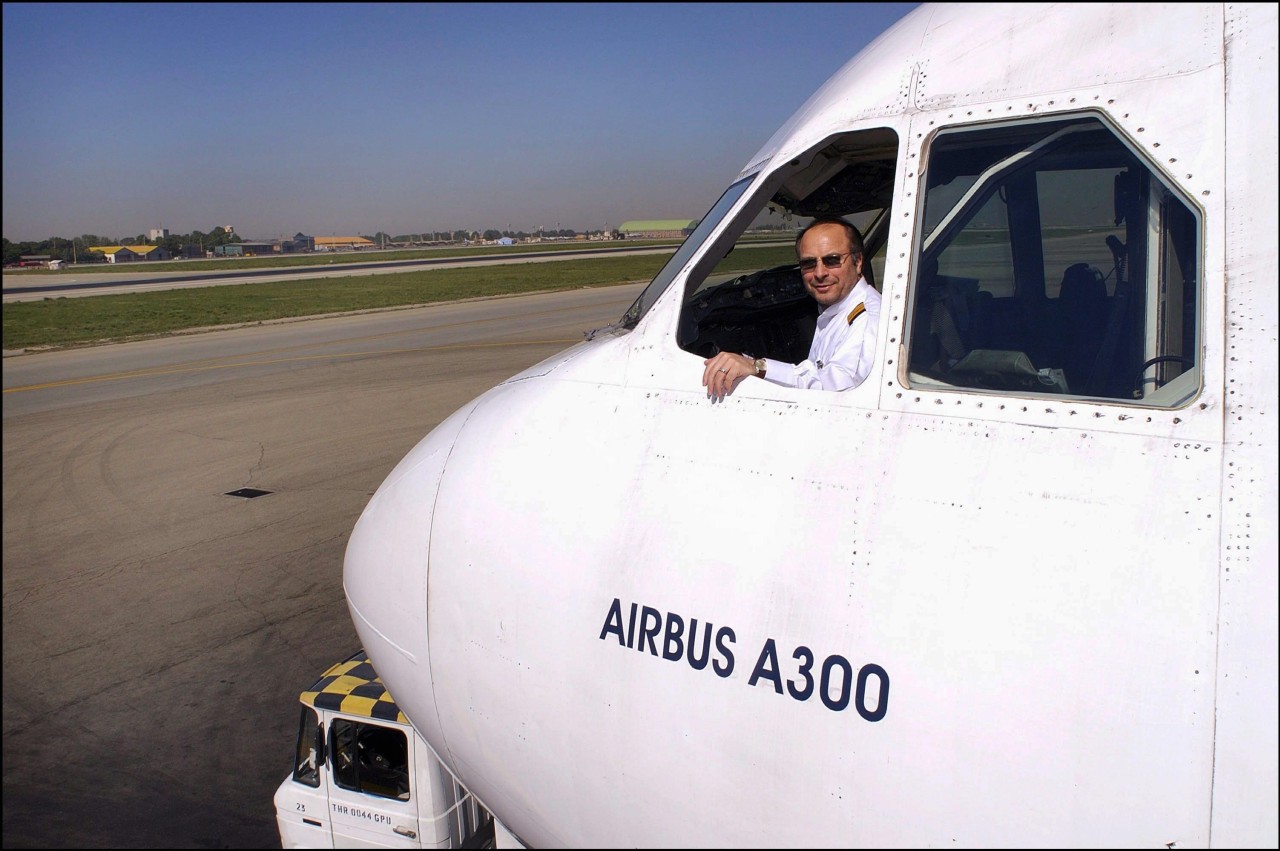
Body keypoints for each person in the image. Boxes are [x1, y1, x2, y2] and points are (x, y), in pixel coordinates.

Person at [702, 217, 881, 399]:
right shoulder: (839, 309)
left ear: (858, 262)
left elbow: (836, 387)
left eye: (832, 260)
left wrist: (758, 366)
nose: (819, 273)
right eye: (808, 263)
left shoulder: (867, 318)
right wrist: (746, 361)